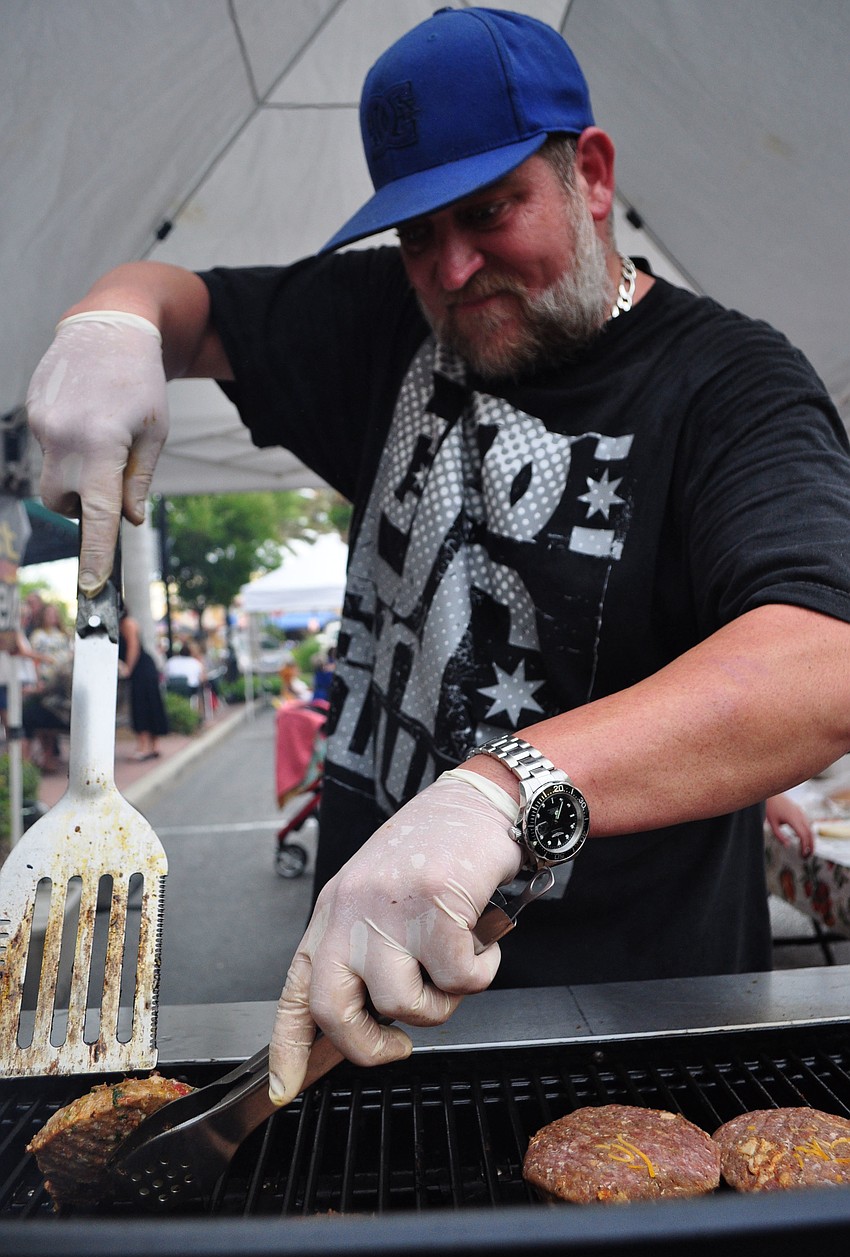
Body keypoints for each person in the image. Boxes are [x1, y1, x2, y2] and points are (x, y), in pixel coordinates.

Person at [23, 8, 850, 1106]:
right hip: (356, 1013)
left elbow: (821, 658)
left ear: (589, 174)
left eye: (489, 211)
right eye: (416, 232)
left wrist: (501, 792)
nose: (453, 267)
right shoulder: (385, 323)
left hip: (637, 1025)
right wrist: (111, 320)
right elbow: (189, 302)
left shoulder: (728, 382)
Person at [118, 607, 169, 760]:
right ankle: (152, 746)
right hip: (143, 669)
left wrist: (128, 668)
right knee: (149, 704)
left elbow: (134, 647)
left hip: (141, 670)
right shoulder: (123, 624)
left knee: (142, 706)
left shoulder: (127, 623)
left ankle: (144, 747)